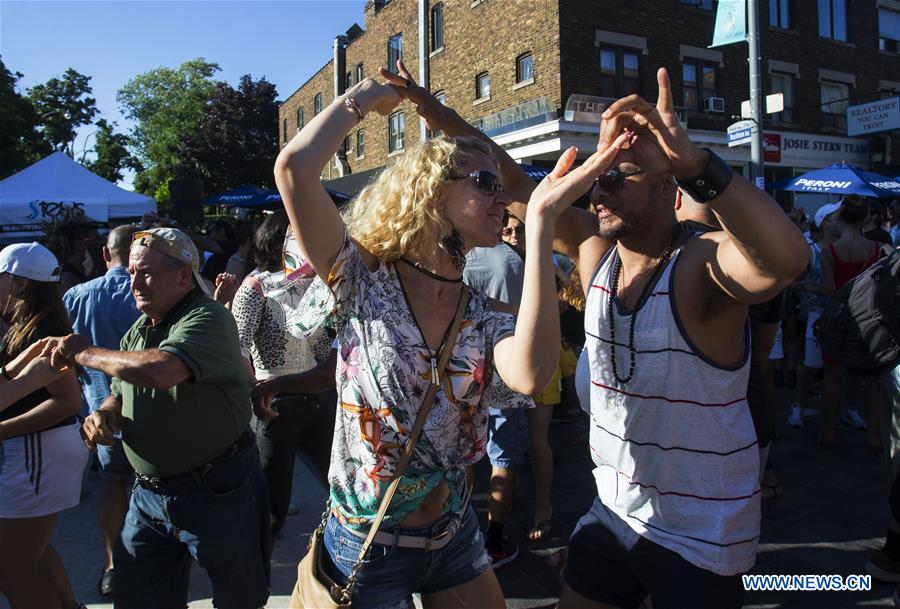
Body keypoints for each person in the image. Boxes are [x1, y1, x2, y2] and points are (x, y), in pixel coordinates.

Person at [274, 59, 624, 608]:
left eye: (500, 187)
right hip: (368, 545)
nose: (501, 198)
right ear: (434, 193)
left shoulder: (479, 312)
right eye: (485, 183)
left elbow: (531, 375)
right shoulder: (361, 277)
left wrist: (540, 231)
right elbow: (294, 168)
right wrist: (365, 97)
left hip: (455, 533)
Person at [49, 227, 270, 609]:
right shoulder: (138, 332)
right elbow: (122, 392)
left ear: (184, 275)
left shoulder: (208, 317)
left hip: (217, 489)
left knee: (239, 599)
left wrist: (82, 353)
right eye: (132, 272)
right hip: (149, 497)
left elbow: (162, 371)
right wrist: (103, 413)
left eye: (147, 273)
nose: (134, 282)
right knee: (137, 596)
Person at [231, 210, 337, 545]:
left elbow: (320, 344)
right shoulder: (255, 287)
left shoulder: (308, 284)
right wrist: (257, 394)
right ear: (281, 241)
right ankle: (253, 581)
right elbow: (238, 348)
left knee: (341, 486)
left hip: (316, 399)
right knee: (271, 507)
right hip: (273, 405)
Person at [0, 243, 88, 609]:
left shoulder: (42, 334)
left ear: (20, 284)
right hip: (36, 452)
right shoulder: (26, 326)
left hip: (38, 452)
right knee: (31, 555)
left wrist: (2, 431)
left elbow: (67, 402)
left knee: (11, 572)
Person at [62, 225, 141, 598]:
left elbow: (64, 354)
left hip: (100, 414)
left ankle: (112, 565)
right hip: (151, 413)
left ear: (106, 255)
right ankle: (152, 564)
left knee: (112, 483)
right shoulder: (155, 291)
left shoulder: (78, 296)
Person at [463, 213, 535, 568]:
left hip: (463, 365)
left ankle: (460, 531)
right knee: (503, 457)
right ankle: (494, 540)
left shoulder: (457, 256)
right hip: (507, 364)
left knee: (462, 451)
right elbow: (526, 316)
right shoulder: (511, 259)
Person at [818, 197, 885, 449]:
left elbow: (826, 289)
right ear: (864, 217)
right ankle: (875, 436)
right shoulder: (877, 248)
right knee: (872, 380)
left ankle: (828, 432)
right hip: (870, 318)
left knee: (832, 377)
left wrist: (807, 286)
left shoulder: (830, 251)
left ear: (842, 219)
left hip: (840, 318)